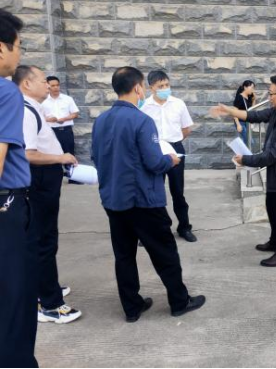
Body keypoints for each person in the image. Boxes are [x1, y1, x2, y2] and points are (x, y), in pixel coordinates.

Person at [91, 67, 205, 322]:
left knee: (124, 256)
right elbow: (154, 162)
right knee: (165, 252)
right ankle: (179, 301)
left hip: (113, 199)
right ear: (138, 88)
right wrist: (170, 160)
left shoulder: (101, 120)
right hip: (143, 200)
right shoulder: (141, 120)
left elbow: (96, 156)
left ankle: (132, 307)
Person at [13, 65, 82, 325]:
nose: (48, 85)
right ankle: (50, 305)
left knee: (44, 239)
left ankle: (45, 286)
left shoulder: (33, 108)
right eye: (43, 80)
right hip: (39, 182)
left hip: (45, 181)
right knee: (43, 240)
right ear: (27, 84)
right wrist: (60, 157)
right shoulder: (25, 111)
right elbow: (28, 154)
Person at [212, 75, 276, 268]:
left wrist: (245, 159)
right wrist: (230, 110)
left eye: (272, 94)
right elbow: (256, 116)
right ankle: (275, 241)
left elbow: (272, 155)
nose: (269, 97)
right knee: (273, 208)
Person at [0, 8, 38, 369]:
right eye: (19, 45)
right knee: (14, 301)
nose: (19, 54)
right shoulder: (5, 92)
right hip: (6, 207)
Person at [141, 70, 196, 243]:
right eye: (160, 86)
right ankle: (153, 231)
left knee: (178, 191)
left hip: (175, 148)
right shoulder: (144, 106)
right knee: (153, 192)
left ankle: (184, 227)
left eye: (167, 85)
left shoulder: (178, 104)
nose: (165, 88)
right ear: (151, 87)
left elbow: (186, 129)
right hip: (154, 151)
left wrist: (173, 144)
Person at [42, 76, 80, 156]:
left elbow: (75, 113)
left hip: (66, 131)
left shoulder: (67, 99)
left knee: (69, 154)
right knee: (52, 155)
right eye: (53, 86)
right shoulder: (43, 100)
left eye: (57, 85)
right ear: (47, 86)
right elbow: (39, 117)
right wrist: (49, 119)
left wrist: (64, 119)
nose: (56, 87)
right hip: (50, 131)